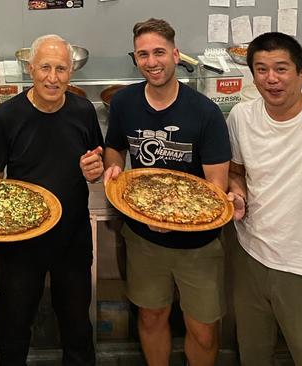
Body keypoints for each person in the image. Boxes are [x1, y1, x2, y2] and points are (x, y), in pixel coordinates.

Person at [103, 18, 231, 366]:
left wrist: (179, 218)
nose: (151, 62)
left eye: (159, 52)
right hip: (144, 237)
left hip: (198, 244)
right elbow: (114, 148)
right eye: (143, 54)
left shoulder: (205, 112)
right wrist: (113, 168)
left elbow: (217, 187)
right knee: (150, 317)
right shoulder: (125, 102)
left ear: (176, 55)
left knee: (203, 329)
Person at [0, 34, 103, 366]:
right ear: (31, 69)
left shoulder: (84, 111)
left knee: (77, 327)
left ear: (71, 72)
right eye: (45, 67)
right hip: (21, 242)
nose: (53, 77)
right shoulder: (8, 115)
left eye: (61, 68)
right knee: (14, 327)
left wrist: (94, 171)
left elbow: (95, 169)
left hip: (72, 237)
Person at [226, 31, 302, 366]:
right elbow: (236, 171)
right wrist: (239, 192)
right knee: (253, 353)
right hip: (250, 255)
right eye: (261, 69)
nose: (271, 79)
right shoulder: (242, 117)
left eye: (281, 69)